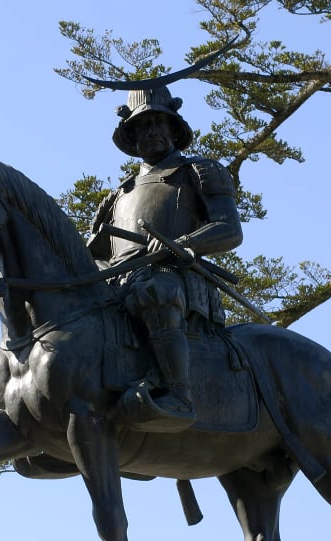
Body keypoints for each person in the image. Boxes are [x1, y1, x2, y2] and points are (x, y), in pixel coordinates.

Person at [86, 85, 243, 431]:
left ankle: (178, 394)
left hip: (174, 277)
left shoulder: (199, 171)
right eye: (143, 125)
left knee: (156, 290)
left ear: (173, 128)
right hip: (119, 282)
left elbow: (229, 230)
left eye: (159, 122)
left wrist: (181, 244)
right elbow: (94, 254)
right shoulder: (119, 194)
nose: (152, 131)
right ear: (132, 135)